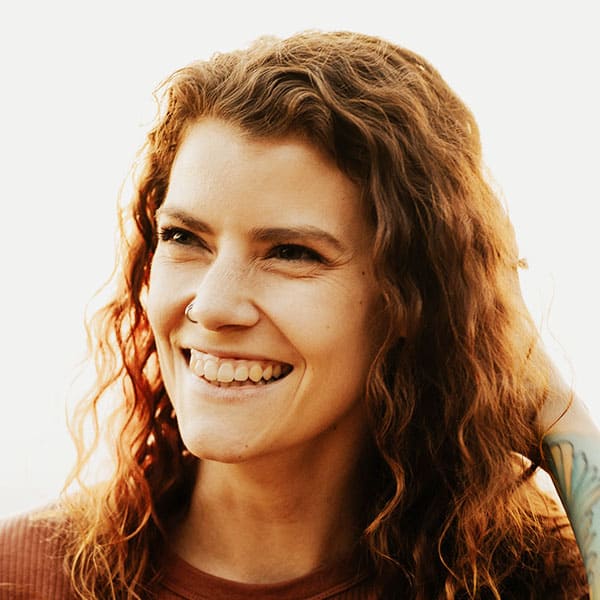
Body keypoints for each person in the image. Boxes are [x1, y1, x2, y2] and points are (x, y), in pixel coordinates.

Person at [0, 30, 597, 599]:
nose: (211, 305)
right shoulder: (24, 575)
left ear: (413, 299)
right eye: (183, 237)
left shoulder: (530, 579)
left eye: (290, 252)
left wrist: (565, 425)